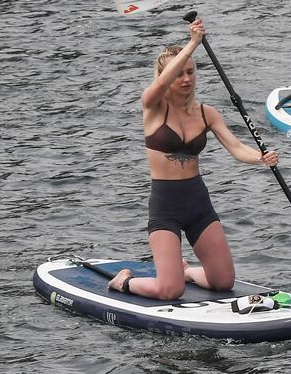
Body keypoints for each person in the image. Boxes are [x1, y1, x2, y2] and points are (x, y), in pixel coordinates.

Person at [106, 17, 279, 300]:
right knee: (169, 290)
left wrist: (261, 158)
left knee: (223, 282)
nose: (186, 79)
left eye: (191, 72)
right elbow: (161, 81)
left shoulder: (206, 113)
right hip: (165, 206)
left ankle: (187, 270)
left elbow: (236, 148)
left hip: (198, 202)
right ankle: (123, 281)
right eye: (179, 74)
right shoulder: (152, 107)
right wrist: (192, 44)